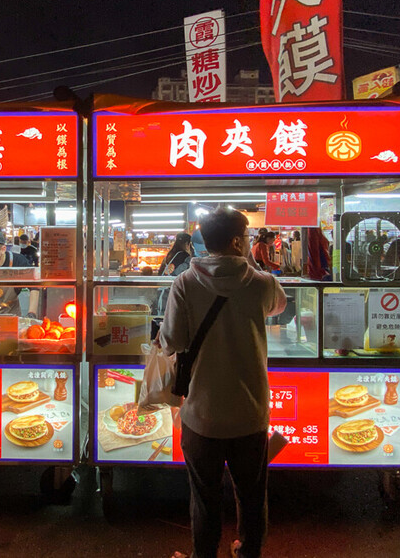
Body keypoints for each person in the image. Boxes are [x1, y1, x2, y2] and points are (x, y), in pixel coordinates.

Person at [159, 208, 286, 558]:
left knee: (204, 496)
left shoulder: (185, 281)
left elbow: (171, 340)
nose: (248, 244)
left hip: (202, 414)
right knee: (251, 493)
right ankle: (247, 551)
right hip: (250, 413)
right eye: (245, 238)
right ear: (235, 241)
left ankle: (204, 555)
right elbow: (279, 307)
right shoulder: (262, 283)